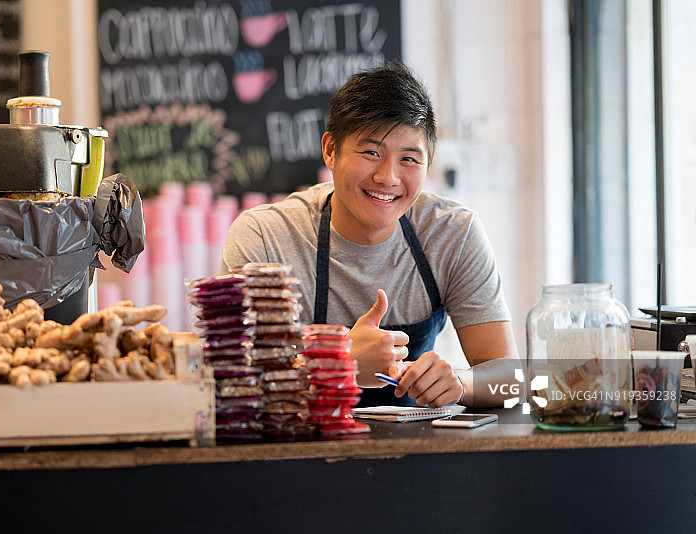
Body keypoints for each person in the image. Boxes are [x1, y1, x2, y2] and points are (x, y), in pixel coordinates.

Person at [220, 60, 520, 408]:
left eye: (409, 159)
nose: (387, 177)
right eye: (371, 152)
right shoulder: (265, 236)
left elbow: (510, 381)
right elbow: (235, 383)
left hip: (414, 453)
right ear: (330, 151)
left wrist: (461, 383)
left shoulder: (453, 234)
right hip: (297, 451)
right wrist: (340, 362)